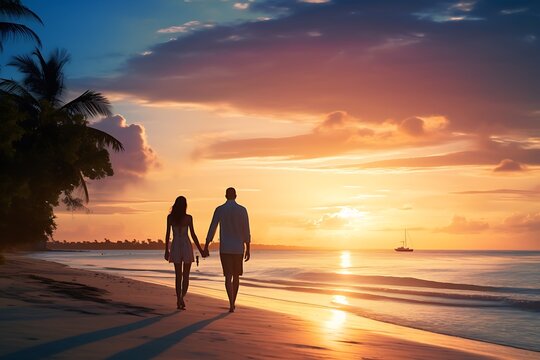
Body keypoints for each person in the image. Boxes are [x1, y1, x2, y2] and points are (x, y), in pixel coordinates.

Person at [204, 187, 251, 313]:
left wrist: (206, 244)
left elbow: (212, 227)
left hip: (225, 247)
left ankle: (231, 302)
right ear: (236, 196)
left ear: (225, 196)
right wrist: (248, 248)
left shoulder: (220, 209)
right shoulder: (242, 210)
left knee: (228, 276)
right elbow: (246, 229)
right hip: (238, 248)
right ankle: (233, 302)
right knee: (236, 276)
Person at [164, 196, 204, 309]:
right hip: (186, 245)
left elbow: (167, 235)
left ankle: (179, 299)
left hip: (176, 245)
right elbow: (193, 235)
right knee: (186, 275)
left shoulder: (170, 218)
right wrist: (200, 250)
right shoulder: (188, 218)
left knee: (178, 275)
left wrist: (166, 250)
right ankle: (181, 297)